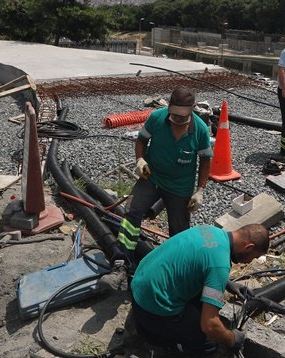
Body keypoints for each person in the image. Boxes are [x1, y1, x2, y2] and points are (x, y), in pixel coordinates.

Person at [130, 223, 270, 355]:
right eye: (254, 257)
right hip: (153, 307)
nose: (249, 262)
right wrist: (232, 338)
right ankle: (170, 346)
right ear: (248, 247)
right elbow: (209, 325)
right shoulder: (219, 266)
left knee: (199, 304)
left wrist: (227, 284)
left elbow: (200, 261)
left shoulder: (208, 230)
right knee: (208, 345)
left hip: (139, 285)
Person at [113, 86, 213, 264]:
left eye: (182, 116)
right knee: (132, 211)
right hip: (152, 177)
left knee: (179, 229)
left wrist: (200, 190)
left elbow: (205, 161)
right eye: (174, 115)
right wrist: (140, 160)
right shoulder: (157, 118)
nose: (177, 120)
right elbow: (142, 140)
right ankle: (123, 257)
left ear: (191, 110)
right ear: (169, 108)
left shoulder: (200, 130)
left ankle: (175, 264)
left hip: (179, 187)